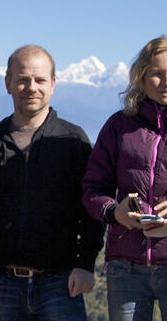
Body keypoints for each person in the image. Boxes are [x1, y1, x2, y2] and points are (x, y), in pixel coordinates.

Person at [0, 45, 105, 320]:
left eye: (40, 80)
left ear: (53, 85)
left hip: (61, 282)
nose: (31, 87)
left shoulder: (72, 142)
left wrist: (86, 264)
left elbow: (91, 208)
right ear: (8, 84)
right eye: (22, 79)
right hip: (1, 282)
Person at [82, 37, 167, 320]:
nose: (165, 82)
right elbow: (93, 187)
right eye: (157, 74)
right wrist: (114, 212)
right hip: (125, 267)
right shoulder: (119, 126)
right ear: (141, 76)